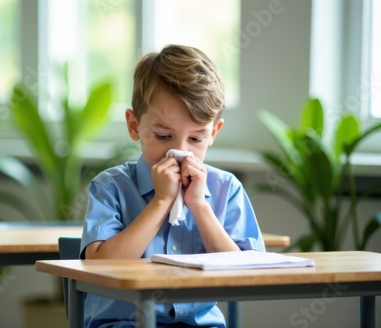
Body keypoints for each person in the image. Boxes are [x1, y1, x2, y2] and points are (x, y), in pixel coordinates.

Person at [80, 44, 265, 328]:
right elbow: (100, 267)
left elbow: (245, 272)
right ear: (133, 126)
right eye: (164, 136)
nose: (179, 152)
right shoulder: (110, 187)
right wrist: (161, 202)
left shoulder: (227, 189)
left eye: (196, 139)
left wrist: (199, 206)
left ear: (214, 132)